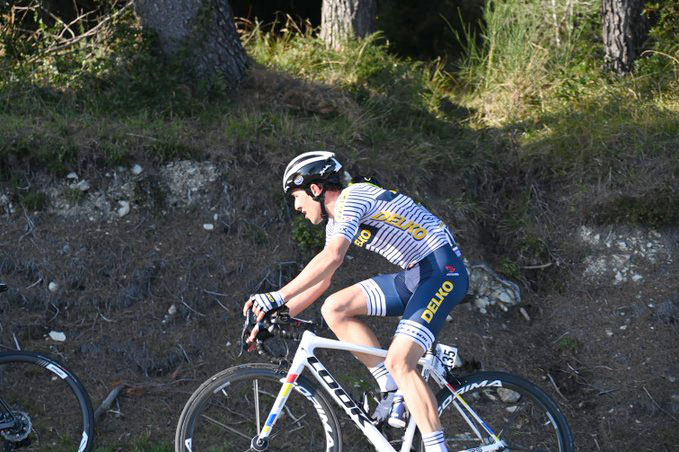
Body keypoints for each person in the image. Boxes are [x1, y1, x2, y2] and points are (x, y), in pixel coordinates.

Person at [243, 151, 468, 452]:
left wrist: (276, 296)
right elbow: (323, 279)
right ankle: (391, 386)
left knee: (401, 361)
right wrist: (275, 315)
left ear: (316, 188)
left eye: (297, 196)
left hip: (443, 271)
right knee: (335, 308)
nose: (296, 206)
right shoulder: (335, 223)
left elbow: (332, 257)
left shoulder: (352, 197)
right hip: (416, 274)